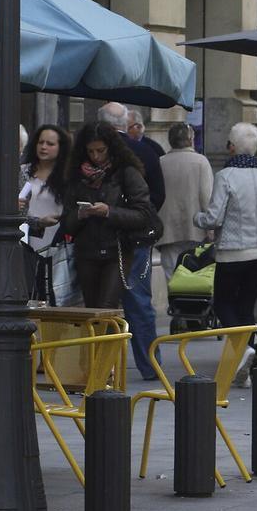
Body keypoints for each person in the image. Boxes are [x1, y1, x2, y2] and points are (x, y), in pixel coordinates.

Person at [195, 122, 257, 387]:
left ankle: (243, 352)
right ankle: (242, 366)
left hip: (233, 252)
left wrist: (197, 218)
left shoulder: (226, 176)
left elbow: (214, 218)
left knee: (223, 304)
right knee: (246, 308)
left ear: (231, 146)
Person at [62, 122, 153, 332]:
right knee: (91, 309)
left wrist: (109, 212)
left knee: (107, 308)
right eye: (91, 151)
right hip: (87, 249)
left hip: (118, 249)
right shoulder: (77, 176)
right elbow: (67, 223)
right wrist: (80, 214)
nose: (96, 156)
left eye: (100, 150)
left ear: (110, 147)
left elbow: (145, 214)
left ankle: (106, 361)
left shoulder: (126, 172)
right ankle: (96, 360)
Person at [97, 101, 164, 378]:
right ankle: (151, 366)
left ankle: (99, 366)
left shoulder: (95, 156)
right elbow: (158, 196)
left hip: (102, 238)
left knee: (99, 303)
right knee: (138, 301)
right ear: (126, 123)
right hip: (138, 239)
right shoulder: (147, 150)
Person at [158, 123, 213, 282]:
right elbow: (207, 197)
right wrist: (211, 229)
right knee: (194, 278)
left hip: (168, 229)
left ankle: (174, 306)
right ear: (190, 139)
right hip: (195, 229)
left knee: (172, 278)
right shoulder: (201, 161)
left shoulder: (161, 161)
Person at [20, 124, 69, 251]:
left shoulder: (68, 176)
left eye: (50, 144)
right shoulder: (22, 172)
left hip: (57, 240)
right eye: (41, 142)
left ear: (61, 147)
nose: (43, 147)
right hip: (25, 237)